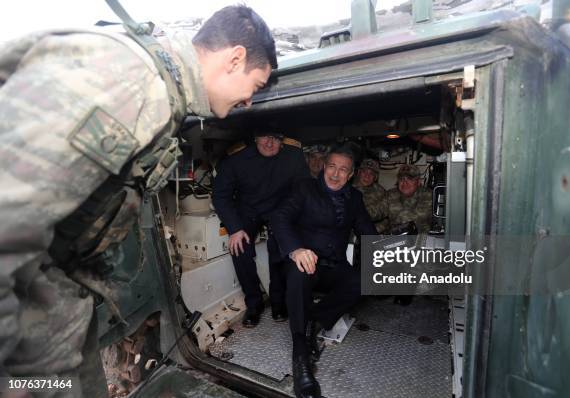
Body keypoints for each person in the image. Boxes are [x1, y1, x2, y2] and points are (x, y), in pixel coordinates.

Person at [0, 4, 277, 396]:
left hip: (57, 300)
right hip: (26, 315)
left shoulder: (157, 92)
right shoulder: (133, 84)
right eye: (257, 85)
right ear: (235, 59)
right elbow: (8, 216)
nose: (250, 101)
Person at [272, 144, 377, 398]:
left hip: (335, 267)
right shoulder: (304, 189)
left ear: (350, 174)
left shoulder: (355, 198)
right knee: (298, 274)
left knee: (364, 279)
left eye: (343, 170)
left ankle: (315, 321)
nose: (335, 174)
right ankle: (301, 357)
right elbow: (280, 218)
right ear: (324, 166)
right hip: (305, 263)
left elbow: (367, 231)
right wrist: (296, 250)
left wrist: (389, 249)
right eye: (332, 166)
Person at [212, 132, 309, 327]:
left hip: (280, 209)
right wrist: (235, 228)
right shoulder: (237, 159)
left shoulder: (294, 155)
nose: (270, 142)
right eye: (264, 136)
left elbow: (302, 189)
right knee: (240, 249)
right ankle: (254, 304)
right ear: (254, 138)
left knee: (281, 248)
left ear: (282, 140)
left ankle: (278, 301)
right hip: (249, 210)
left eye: (276, 137)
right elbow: (220, 195)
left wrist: (291, 218)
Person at [386, 164, 433, 234]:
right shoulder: (391, 194)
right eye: (402, 179)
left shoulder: (428, 195)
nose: (405, 182)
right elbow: (378, 210)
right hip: (395, 239)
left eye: (410, 179)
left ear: (419, 182)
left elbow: (410, 218)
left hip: (421, 239)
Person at [353, 158, 389, 233]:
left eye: (371, 174)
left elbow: (384, 211)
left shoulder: (380, 191)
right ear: (359, 172)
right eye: (364, 172)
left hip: (374, 233)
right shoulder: (347, 189)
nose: (367, 176)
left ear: (375, 177)